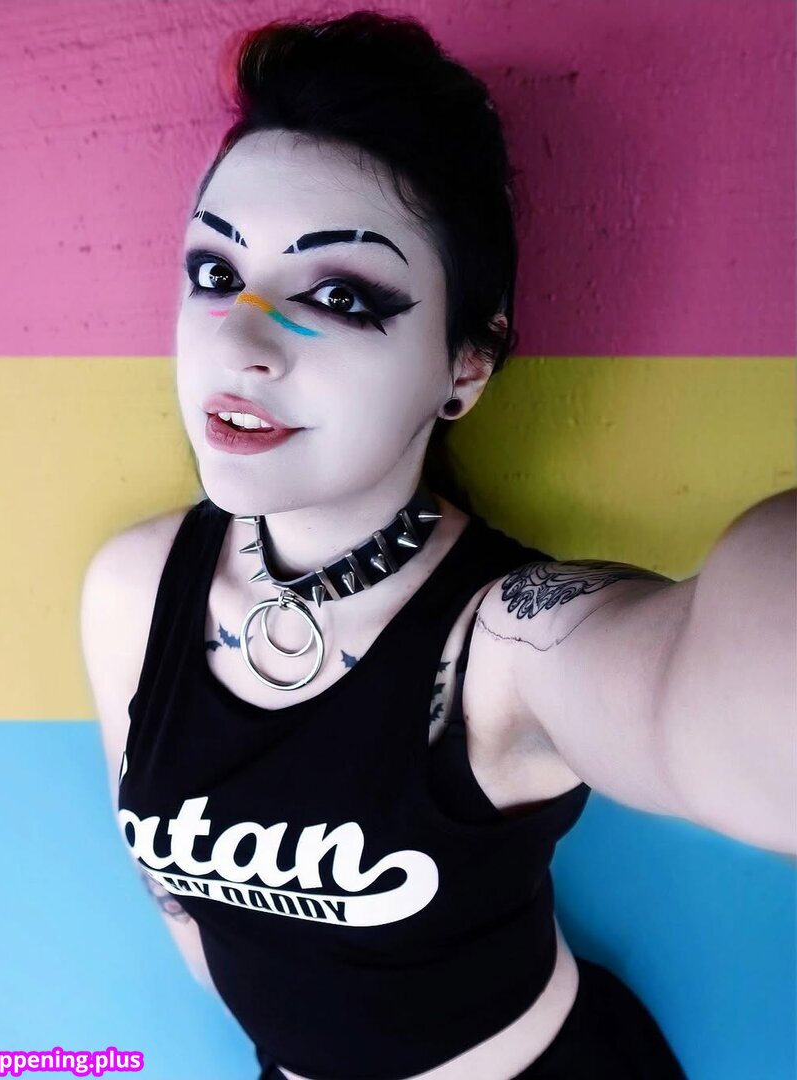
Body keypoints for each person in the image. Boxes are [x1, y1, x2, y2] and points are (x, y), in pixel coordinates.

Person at [80, 11, 794, 1080]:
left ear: (467, 363)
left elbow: (722, 708)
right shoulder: (133, 588)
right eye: (216, 275)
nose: (240, 342)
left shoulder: (501, 645)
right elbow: (181, 906)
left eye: (338, 295)